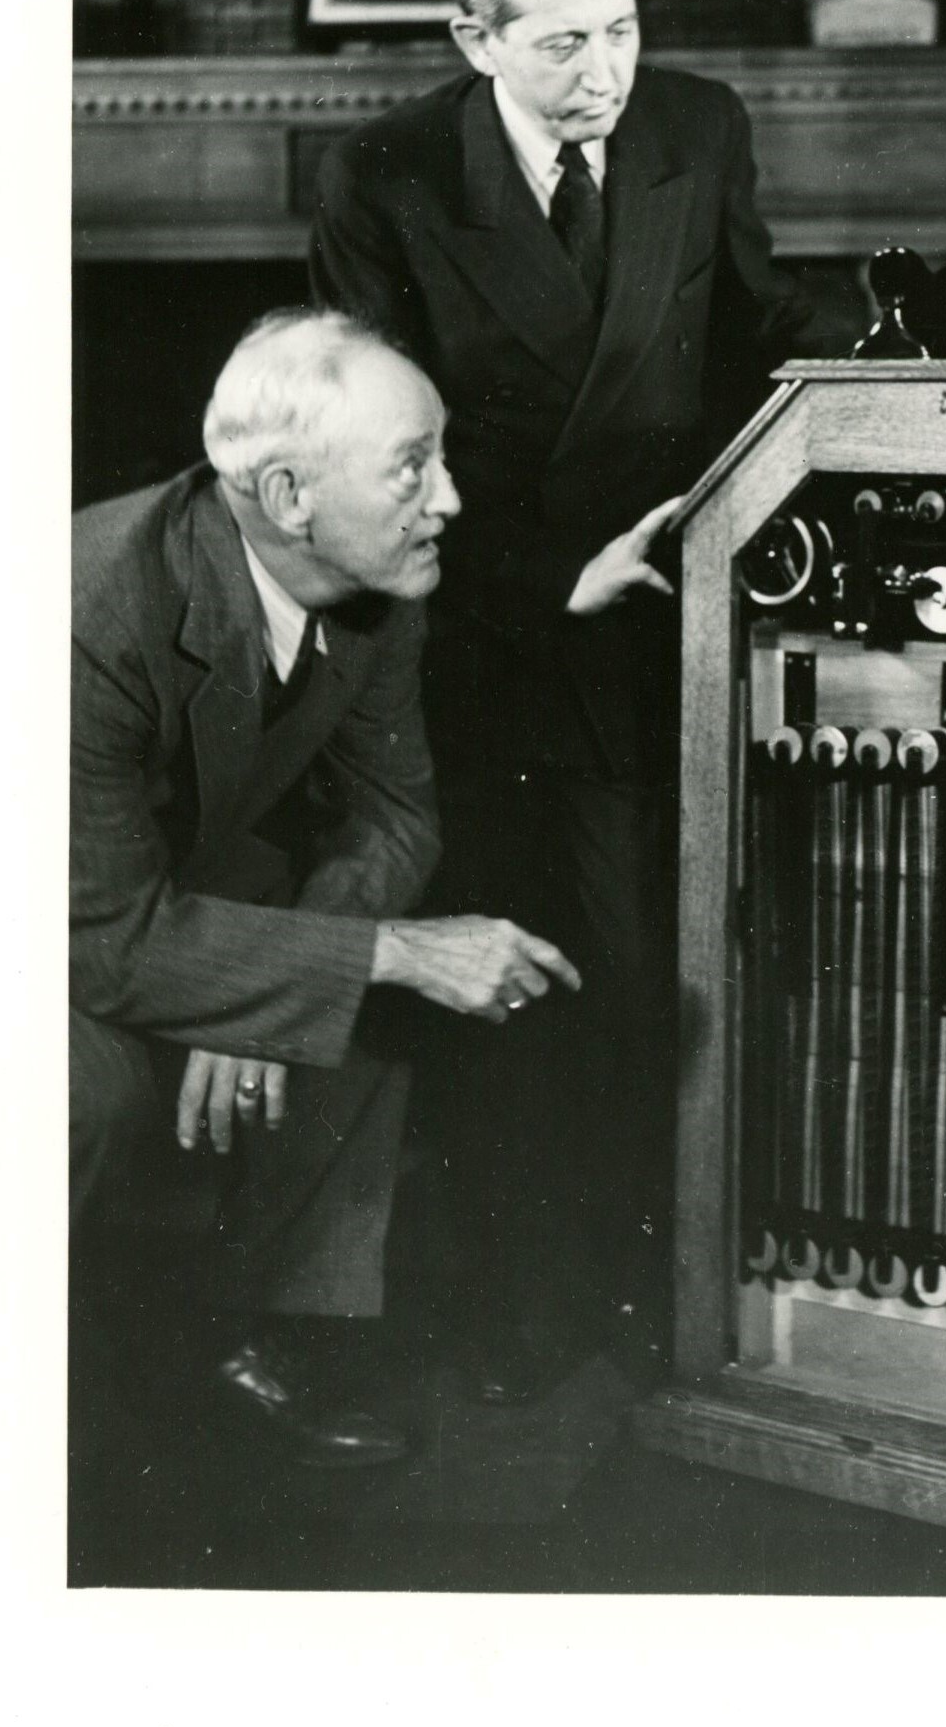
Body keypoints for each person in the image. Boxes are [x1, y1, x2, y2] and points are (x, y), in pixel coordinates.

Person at [308, 0, 814, 1383]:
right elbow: (372, 447)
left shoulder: (695, 125)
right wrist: (545, 582)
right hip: (493, 625)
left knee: (673, 969)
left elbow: (752, 339)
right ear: (475, 37)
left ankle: (668, 1320)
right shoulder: (384, 174)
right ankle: (531, 1331)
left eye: (625, 29)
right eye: (564, 46)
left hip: (672, 605)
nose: (606, 74)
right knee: (532, 983)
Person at [71, 309, 579, 1465]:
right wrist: (360, 959)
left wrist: (271, 986)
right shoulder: (85, 616)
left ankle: (247, 1348)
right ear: (290, 494)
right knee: (87, 1095)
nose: (448, 498)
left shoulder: (381, 579)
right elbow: (97, 941)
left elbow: (395, 814)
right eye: (413, 466)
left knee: (344, 1019)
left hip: (151, 890)